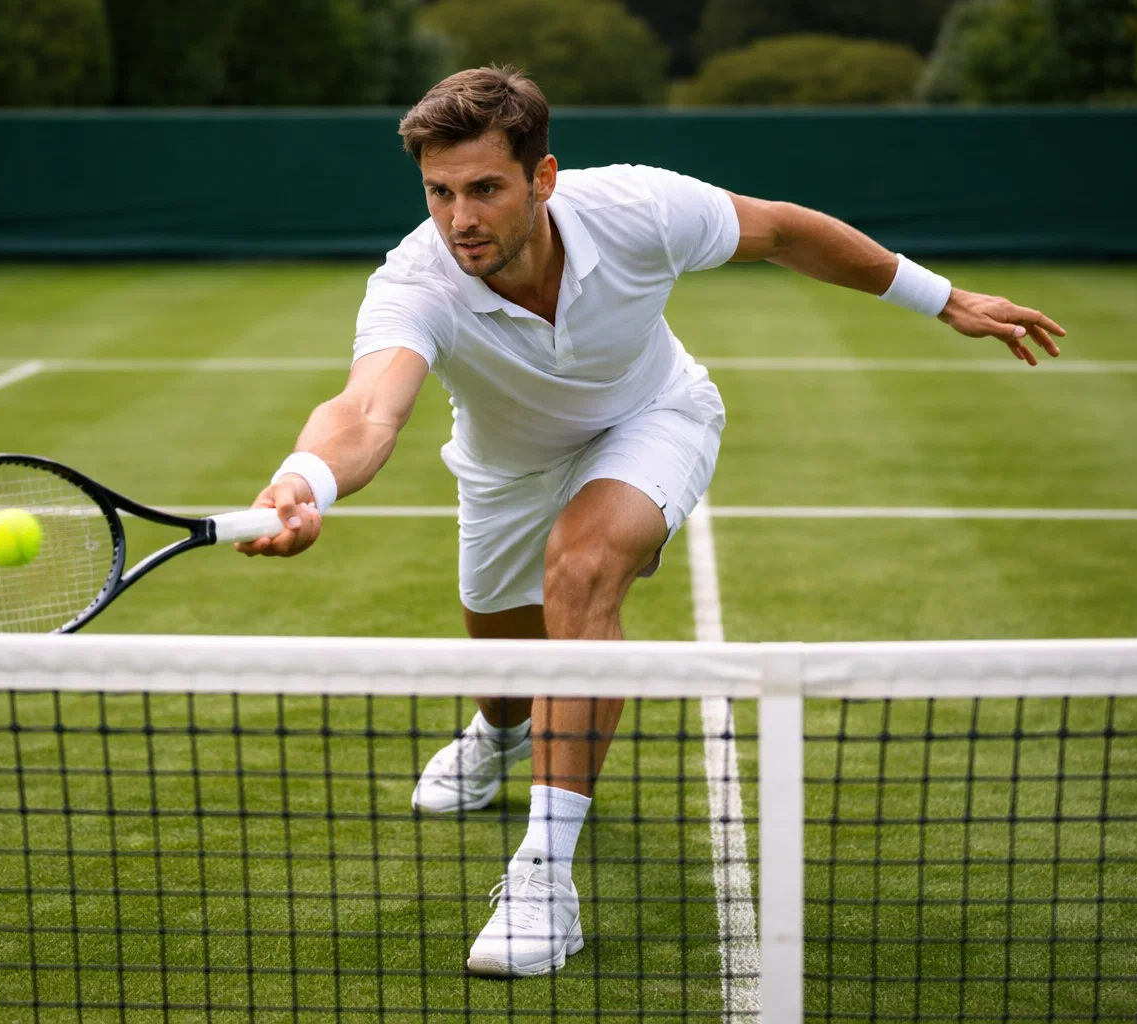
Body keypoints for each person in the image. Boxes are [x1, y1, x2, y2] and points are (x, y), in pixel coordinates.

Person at [236, 66, 1066, 978]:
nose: (460, 217)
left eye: (485, 188)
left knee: (582, 572)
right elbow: (367, 411)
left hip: (651, 418)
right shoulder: (415, 281)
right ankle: (499, 733)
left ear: (541, 178)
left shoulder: (639, 207)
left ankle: (544, 878)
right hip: (505, 471)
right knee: (506, 671)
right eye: (440, 192)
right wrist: (302, 478)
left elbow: (786, 231)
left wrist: (944, 298)